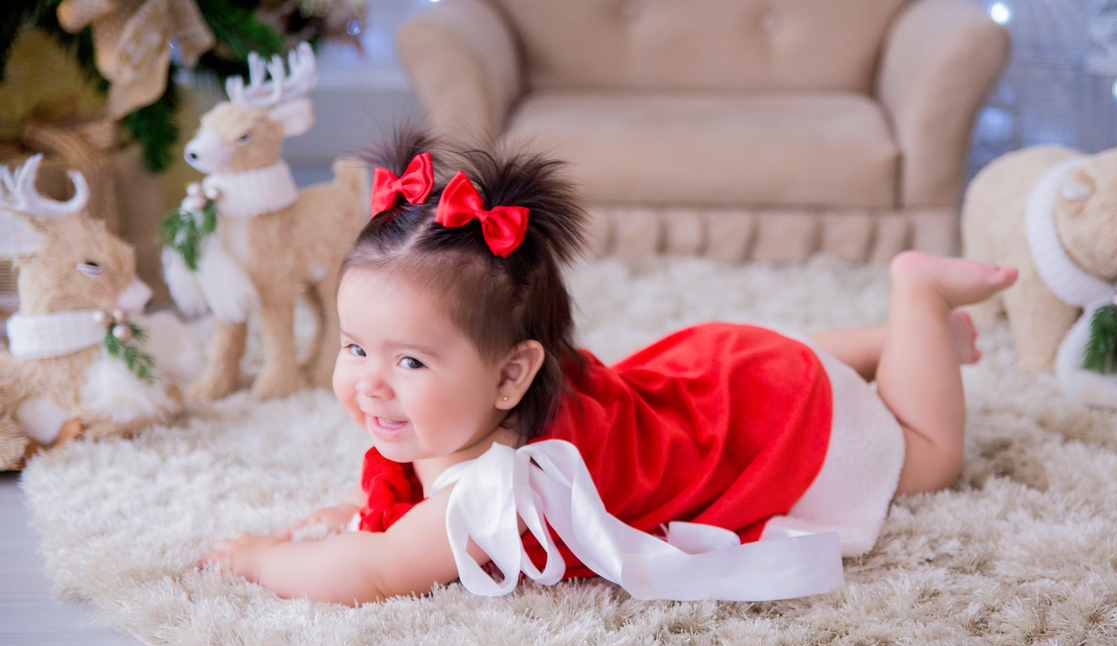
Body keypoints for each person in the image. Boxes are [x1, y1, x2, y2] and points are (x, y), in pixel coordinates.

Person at [200, 129, 1017, 605]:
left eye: (409, 360)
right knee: (775, 365)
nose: (369, 382)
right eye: (354, 347)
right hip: (728, 370)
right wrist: (359, 503)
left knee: (928, 458)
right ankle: (896, 343)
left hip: (778, 419)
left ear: (513, 376)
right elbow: (391, 500)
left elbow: (373, 571)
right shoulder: (475, 400)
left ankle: (918, 299)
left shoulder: (494, 491)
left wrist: (261, 559)